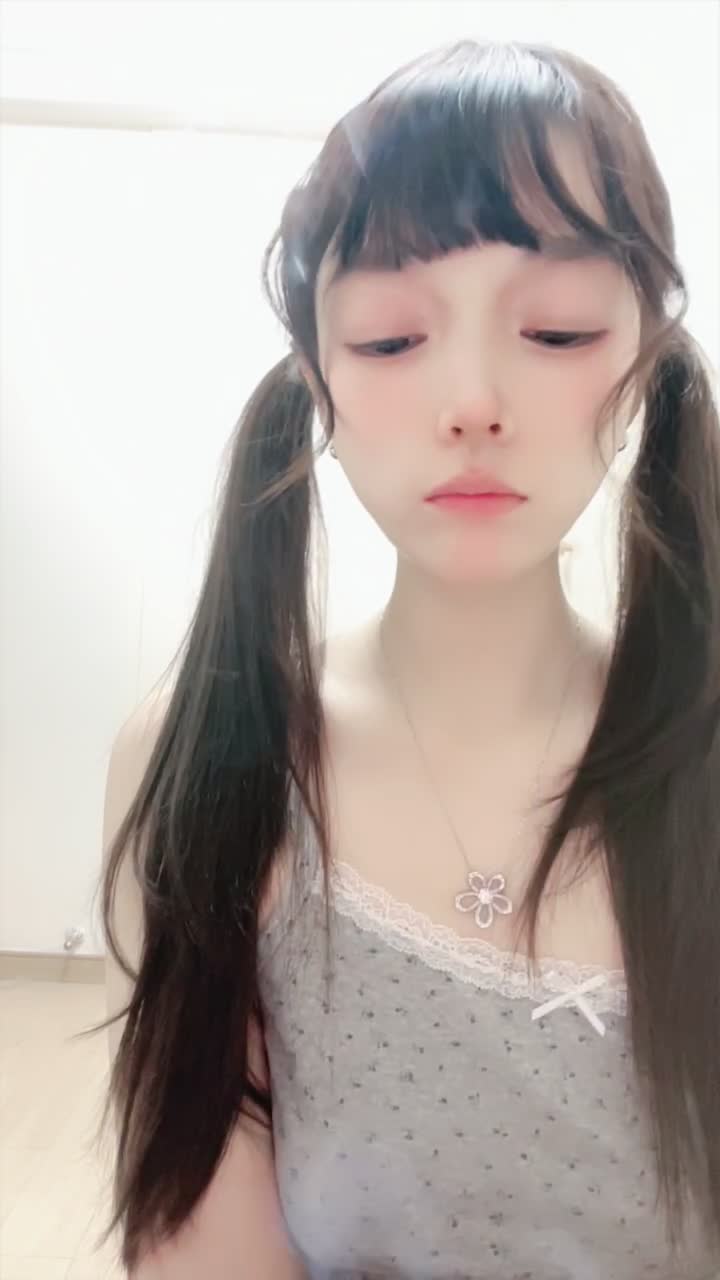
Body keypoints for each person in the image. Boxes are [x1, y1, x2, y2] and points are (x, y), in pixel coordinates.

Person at [87, 38, 720, 1279]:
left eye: (555, 328)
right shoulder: (207, 764)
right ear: (317, 373)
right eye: (390, 339)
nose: (472, 399)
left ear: (645, 359)